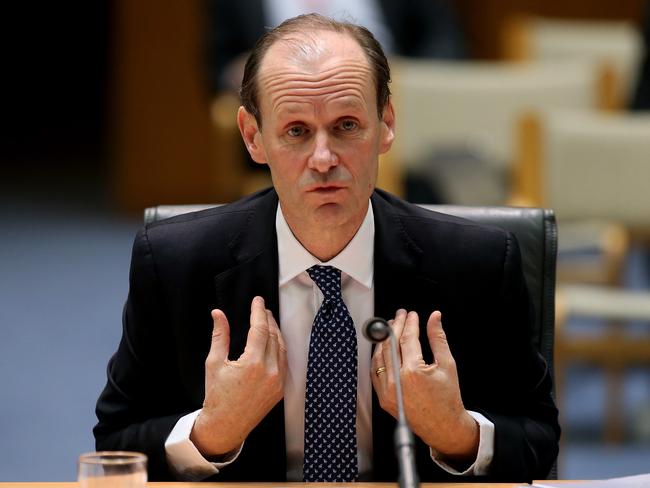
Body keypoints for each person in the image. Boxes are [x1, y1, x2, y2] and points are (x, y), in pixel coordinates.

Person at [94, 13, 559, 483]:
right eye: (296, 131)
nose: (323, 160)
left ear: (387, 123)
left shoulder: (476, 264)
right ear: (253, 137)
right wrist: (212, 432)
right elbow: (115, 442)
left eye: (346, 126)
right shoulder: (176, 262)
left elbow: (539, 438)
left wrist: (456, 432)